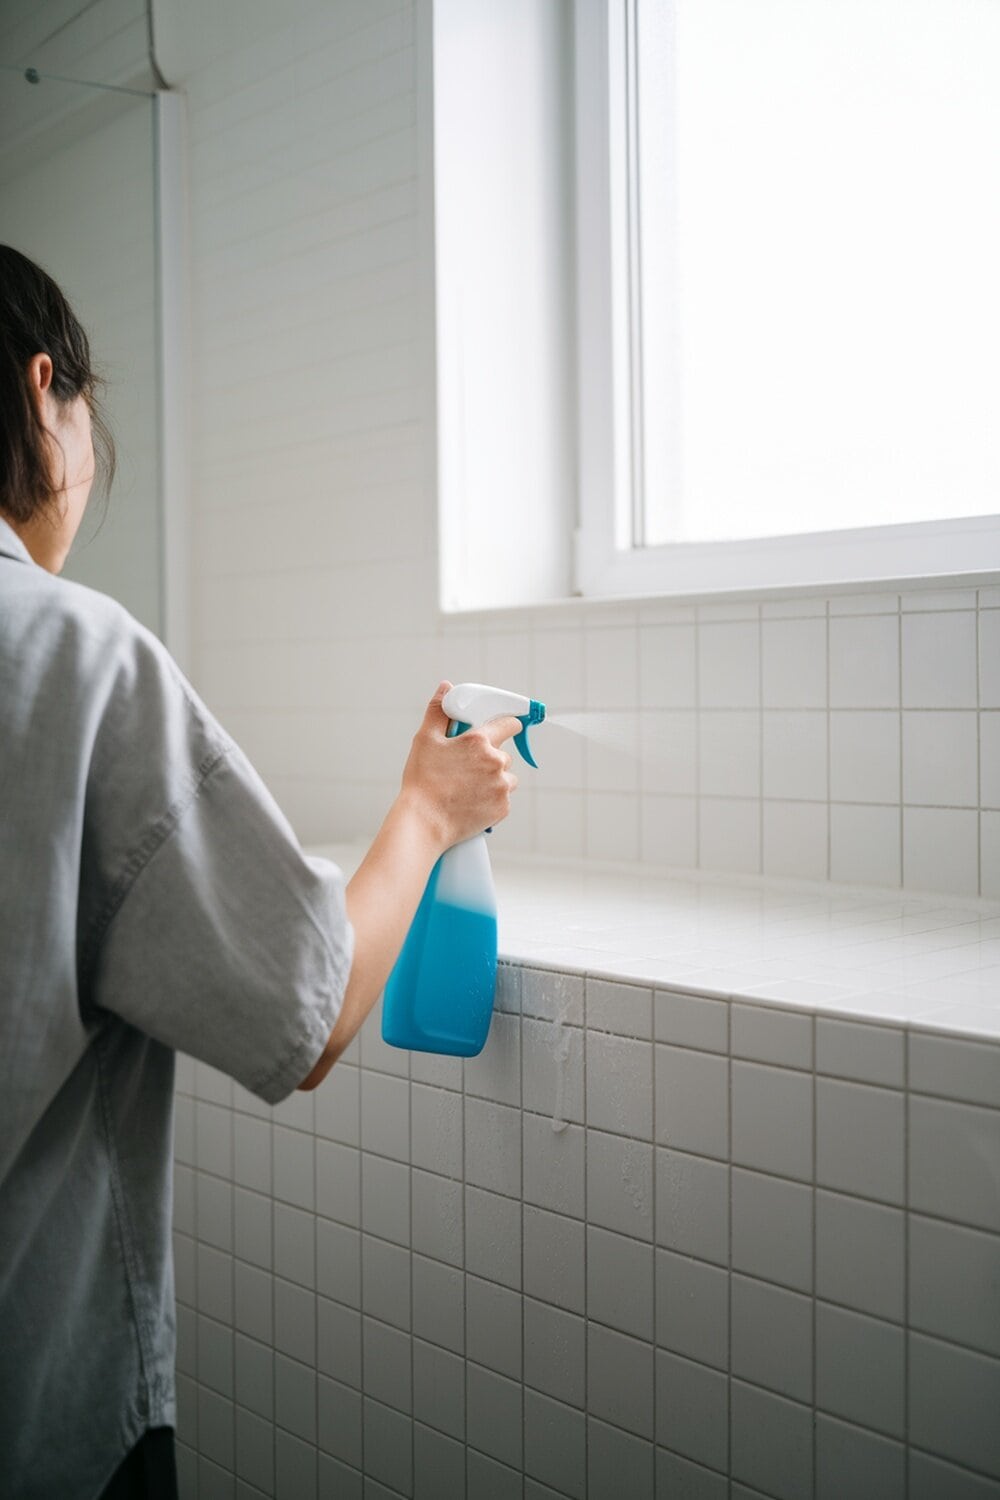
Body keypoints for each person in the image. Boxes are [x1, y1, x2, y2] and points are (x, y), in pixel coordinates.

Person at [0, 245, 520, 1500]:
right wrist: (427, 812)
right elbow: (310, 1010)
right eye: (82, 405)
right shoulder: (67, 653)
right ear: (38, 393)